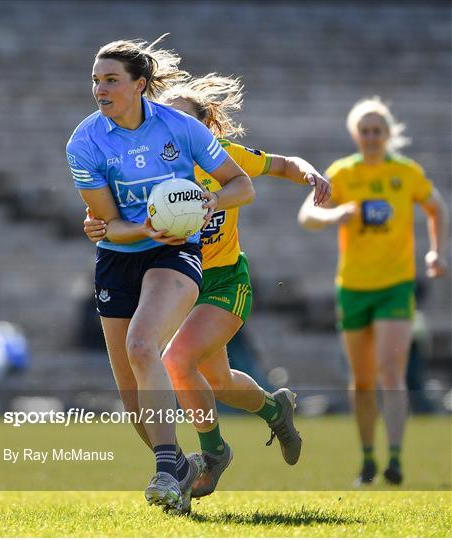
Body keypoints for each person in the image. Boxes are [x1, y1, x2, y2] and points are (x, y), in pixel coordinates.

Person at [84, 73, 331, 497]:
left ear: (203, 128)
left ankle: (213, 453)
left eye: (183, 121)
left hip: (222, 282)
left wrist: (311, 177)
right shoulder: (146, 161)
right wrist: (95, 224)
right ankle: (276, 409)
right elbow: (109, 212)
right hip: (175, 278)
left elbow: (282, 164)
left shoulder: (224, 159)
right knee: (218, 381)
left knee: (178, 361)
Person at [66, 37, 255, 513]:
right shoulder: (84, 141)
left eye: (111, 80)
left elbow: (241, 184)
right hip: (118, 255)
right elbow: (107, 224)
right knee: (135, 406)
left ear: (140, 85)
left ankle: (166, 470)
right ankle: (180, 469)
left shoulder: (180, 128)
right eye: (95, 80)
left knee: (142, 344)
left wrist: (208, 202)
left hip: (175, 256)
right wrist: (142, 226)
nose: (99, 89)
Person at [298, 96, 449, 485]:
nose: (370, 137)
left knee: (390, 373)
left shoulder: (406, 172)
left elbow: (437, 207)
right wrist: (336, 214)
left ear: (387, 133)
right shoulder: (344, 173)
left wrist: (435, 251)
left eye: (376, 130)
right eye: (363, 131)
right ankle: (367, 459)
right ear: (355, 134)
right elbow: (307, 215)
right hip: (353, 287)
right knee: (362, 379)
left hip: (395, 286)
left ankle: (395, 459)